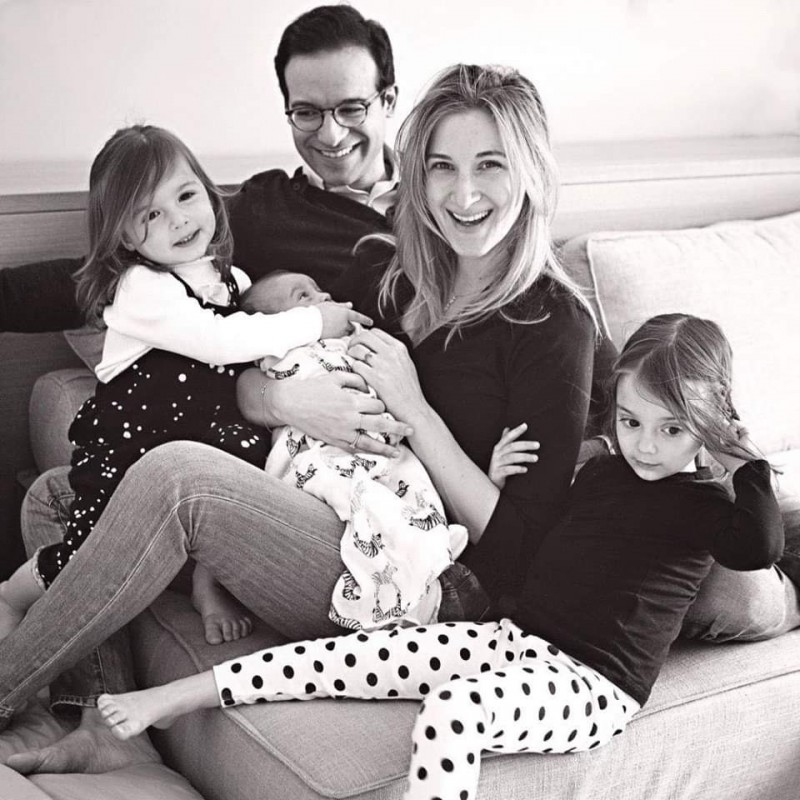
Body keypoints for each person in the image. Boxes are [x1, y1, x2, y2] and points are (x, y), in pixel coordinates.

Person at [0, 62, 597, 774]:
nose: (463, 195)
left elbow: (521, 552)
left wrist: (415, 412)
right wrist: (281, 399)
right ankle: (99, 721)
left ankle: (3, 687)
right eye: (443, 166)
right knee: (61, 495)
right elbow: (256, 360)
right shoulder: (388, 272)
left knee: (176, 478)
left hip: (419, 570)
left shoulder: (553, 326)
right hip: (330, 499)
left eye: (490, 165)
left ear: (531, 171)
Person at [91, 312, 784, 800]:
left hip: (594, 684)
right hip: (517, 638)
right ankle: (175, 699)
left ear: (708, 426)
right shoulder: (603, 470)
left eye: (673, 429)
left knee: (455, 709)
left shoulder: (705, 506)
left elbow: (760, 545)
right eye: (631, 421)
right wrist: (501, 477)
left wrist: (740, 455)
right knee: (353, 655)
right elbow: (540, 541)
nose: (646, 445)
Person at [0, 125, 370, 646]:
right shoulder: (139, 287)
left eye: (186, 195)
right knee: (88, 557)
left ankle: (205, 582)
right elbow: (220, 340)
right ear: (126, 238)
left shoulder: (232, 280)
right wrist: (314, 322)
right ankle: (12, 595)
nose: (177, 219)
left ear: (210, 195)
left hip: (204, 444)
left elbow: (260, 339)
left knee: (241, 482)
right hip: (132, 452)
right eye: (150, 214)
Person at [242, 270, 470, 630]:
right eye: (302, 296)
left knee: (413, 487)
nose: (323, 296)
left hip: (381, 450)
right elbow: (259, 383)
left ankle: (430, 554)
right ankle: (400, 593)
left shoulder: (356, 343)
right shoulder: (279, 357)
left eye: (319, 288)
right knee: (363, 503)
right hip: (320, 455)